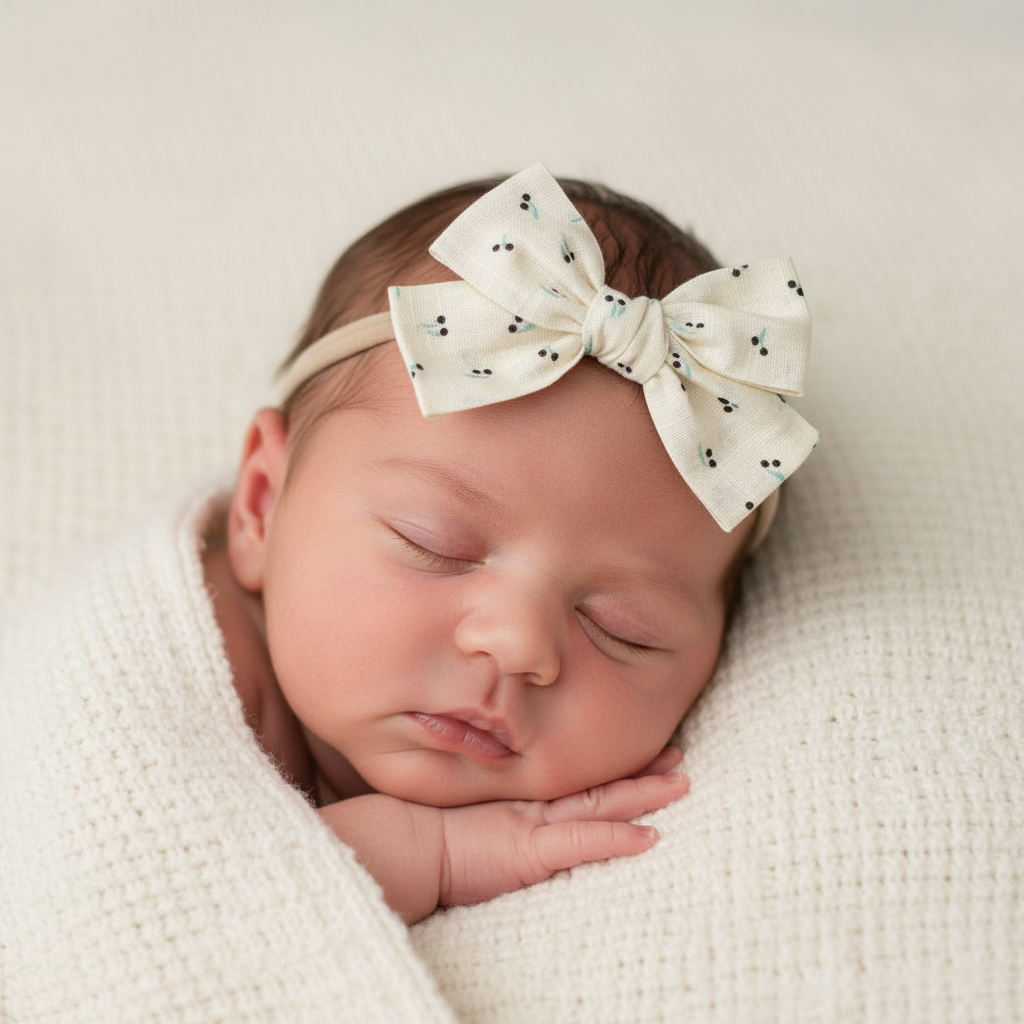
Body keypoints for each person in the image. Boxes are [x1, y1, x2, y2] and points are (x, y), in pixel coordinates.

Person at [201, 164, 819, 924]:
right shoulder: (197, 663)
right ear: (262, 506)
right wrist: (423, 853)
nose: (519, 643)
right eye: (435, 545)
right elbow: (168, 922)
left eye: (622, 627)